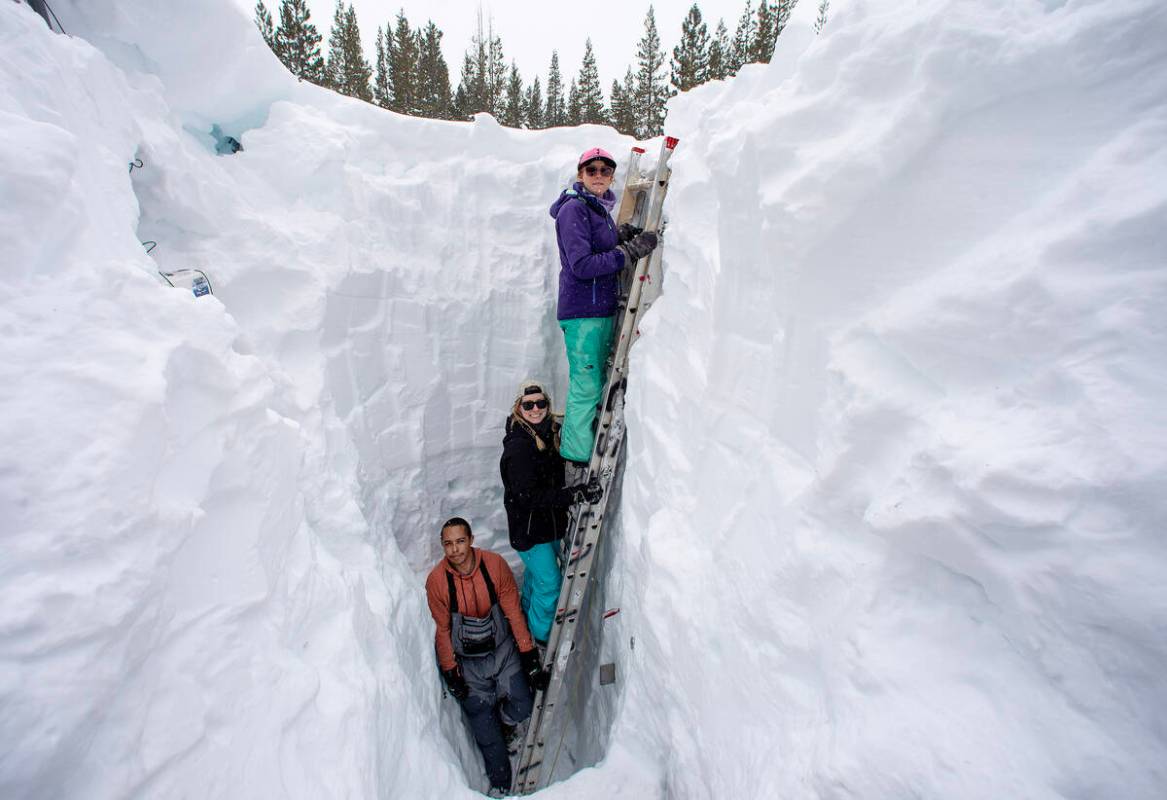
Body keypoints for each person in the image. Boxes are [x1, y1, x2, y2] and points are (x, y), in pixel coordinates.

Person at [549, 147, 660, 465]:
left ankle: (579, 447)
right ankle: (576, 457)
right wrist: (628, 252)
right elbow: (582, 264)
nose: (599, 175)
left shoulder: (594, 209)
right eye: (592, 169)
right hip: (583, 312)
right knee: (586, 385)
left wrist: (619, 236)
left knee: (592, 381)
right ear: (580, 174)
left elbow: (594, 245)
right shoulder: (574, 209)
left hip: (597, 309)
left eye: (605, 170)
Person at [425, 517, 549, 797]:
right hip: (469, 663)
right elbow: (442, 630)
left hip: (503, 651)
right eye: (448, 544)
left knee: (524, 703)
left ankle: (505, 721)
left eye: (459, 541)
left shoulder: (493, 566)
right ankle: (501, 783)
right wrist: (450, 671)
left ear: (470, 539)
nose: (455, 549)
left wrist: (528, 655)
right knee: (484, 730)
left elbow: (513, 613)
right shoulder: (437, 581)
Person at [500, 381, 603, 644]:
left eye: (540, 403)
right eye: (528, 405)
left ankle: (525, 620)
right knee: (550, 585)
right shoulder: (518, 447)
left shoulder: (547, 432)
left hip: (548, 526)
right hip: (531, 533)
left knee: (537, 579)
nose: (536, 409)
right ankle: (540, 639)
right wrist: (574, 494)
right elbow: (528, 497)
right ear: (518, 408)